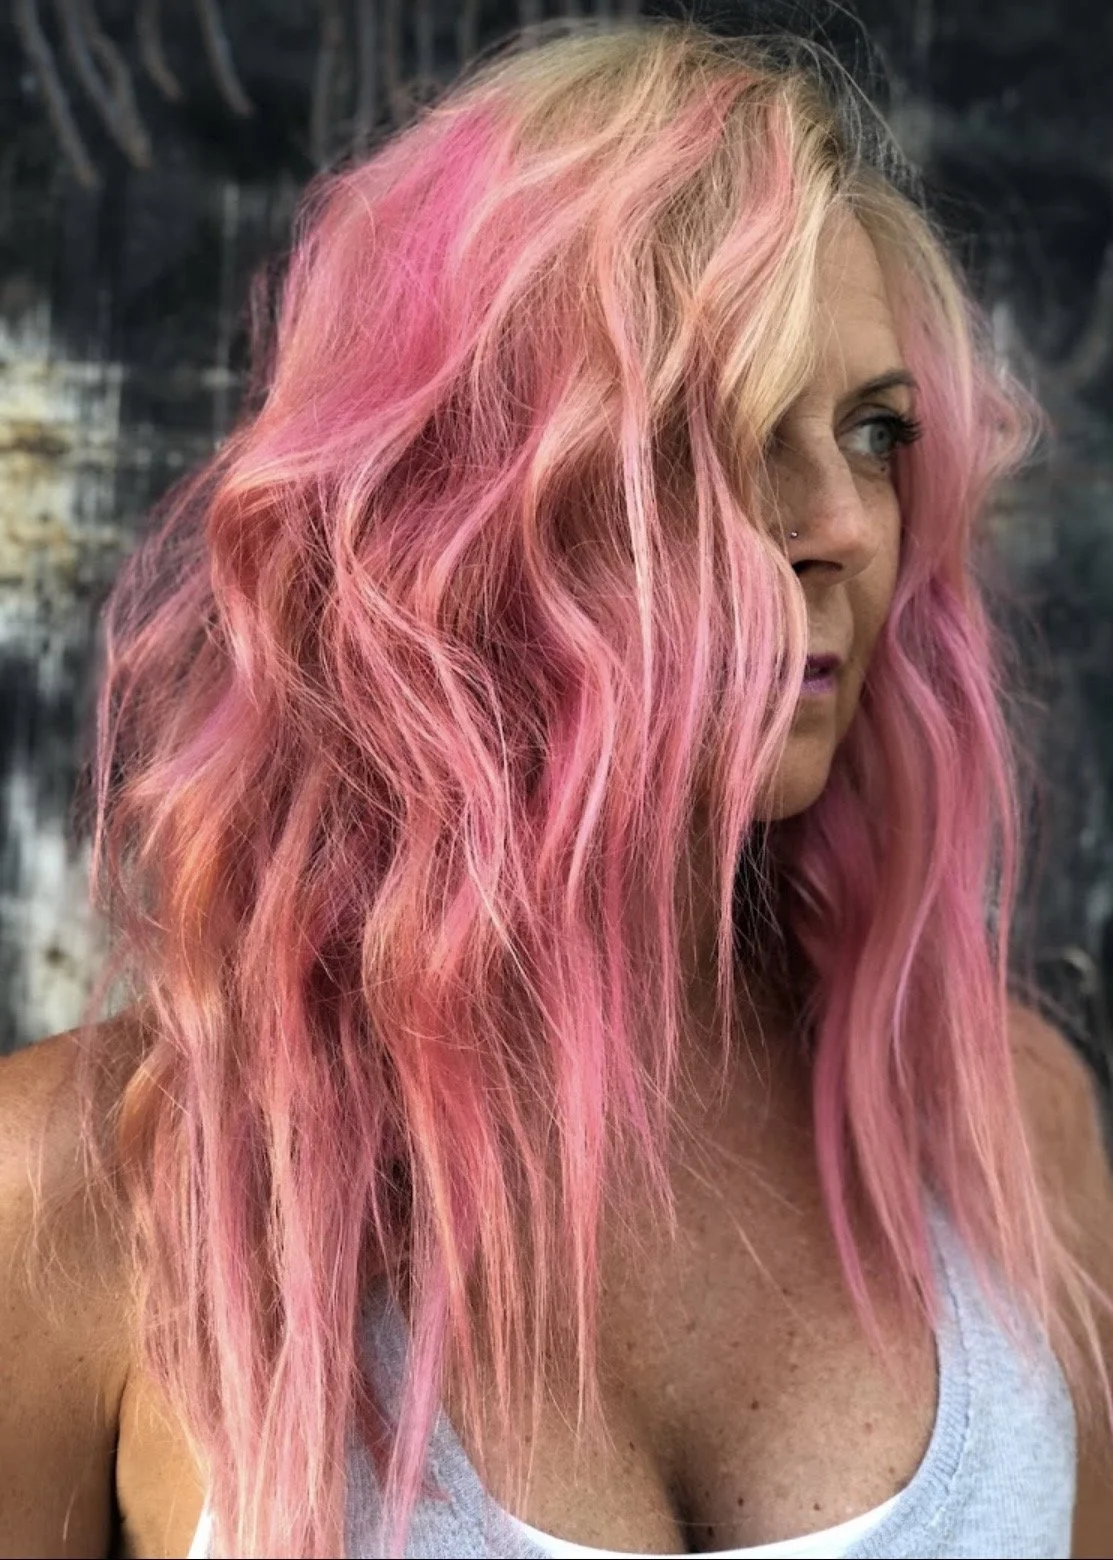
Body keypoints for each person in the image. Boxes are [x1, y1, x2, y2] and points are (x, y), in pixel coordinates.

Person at [2, 16, 1112, 1559]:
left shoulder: (1003, 1128)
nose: (852, 524)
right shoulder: (91, 1195)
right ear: (454, 503)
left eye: (873, 433)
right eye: (721, 430)